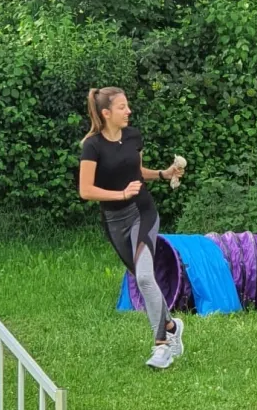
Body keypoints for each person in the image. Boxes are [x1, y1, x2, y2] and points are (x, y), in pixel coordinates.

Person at [79, 87, 187, 369]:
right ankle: (172, 327)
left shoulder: (133, 136)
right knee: (144, 278)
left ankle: (161, 345)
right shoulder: (92, 146)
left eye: (128, 106)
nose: (128, 111)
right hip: (114, 222)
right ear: (106, 113)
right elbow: (86, 190)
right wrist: (121, 195)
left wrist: (163, 174)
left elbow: (136, 173)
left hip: (143, 212)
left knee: (144, 277)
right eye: (122, 107)